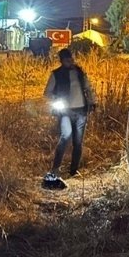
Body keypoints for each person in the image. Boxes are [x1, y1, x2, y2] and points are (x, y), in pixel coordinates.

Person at [43, 48, 97, 181]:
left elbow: (88, 88)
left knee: (78, 142)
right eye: (67, 59)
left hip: (81, 110)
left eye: (71, 59)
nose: (70, 61)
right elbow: (47, 92)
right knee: (65, 136)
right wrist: (57, 98)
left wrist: (92, 102)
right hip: (66, 112)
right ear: (62, 61)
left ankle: (74, 171)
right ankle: (55, 169)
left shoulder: (79, 72)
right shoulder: (56, 74)